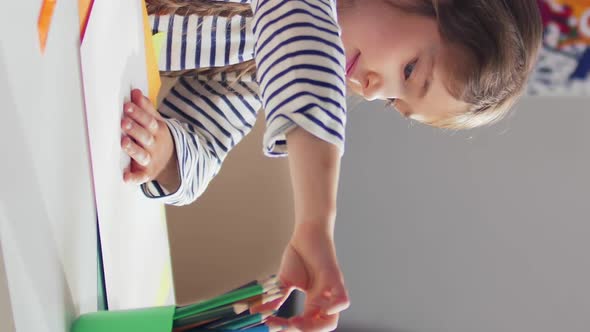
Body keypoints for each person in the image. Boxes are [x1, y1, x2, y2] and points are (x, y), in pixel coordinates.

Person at [120, 1, 542, 330]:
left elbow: (205, 142)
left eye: (394, 100)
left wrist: (165, 152)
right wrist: (316, 221)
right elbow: (297, 18)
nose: (373, 89)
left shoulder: (260, 57)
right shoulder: (295, 31)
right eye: (410, 69)